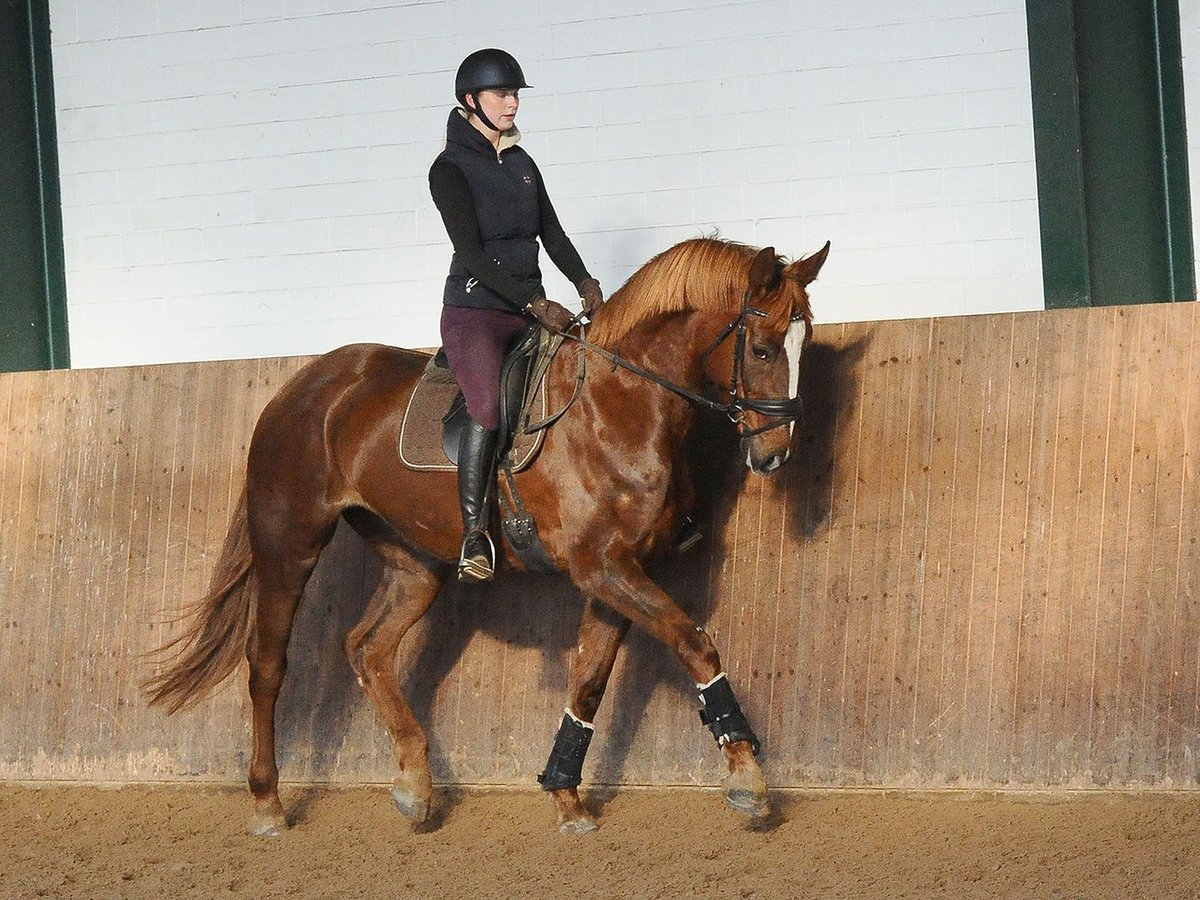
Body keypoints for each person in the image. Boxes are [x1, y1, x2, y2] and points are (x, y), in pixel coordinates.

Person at [429, 48, 603, 583]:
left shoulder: (524, 164)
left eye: (514, 95)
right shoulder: (448, 170)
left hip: (533, 310)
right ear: (470, 101)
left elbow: (550, 233)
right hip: (478, 312)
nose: (512, 104)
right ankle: (475, 535)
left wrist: (584, 282)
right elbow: (474, 254)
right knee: (486, 408)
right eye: (502, 95)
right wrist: (534, 303)